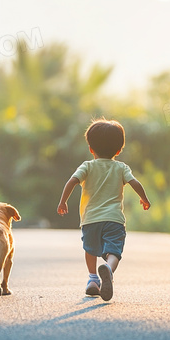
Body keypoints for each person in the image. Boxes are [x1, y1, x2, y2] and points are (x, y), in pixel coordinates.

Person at [57, 119, 150, 301]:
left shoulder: (87, 166)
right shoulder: (121, 167)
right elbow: (135, 183)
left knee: (90, 248)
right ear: (118, 150)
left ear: (91, 148)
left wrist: (63, 202)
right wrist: (144, 198)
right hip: (114, 219)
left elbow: (72, 181)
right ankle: (108, 268)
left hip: (90, 218)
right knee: (114, 250)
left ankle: (92, 279)